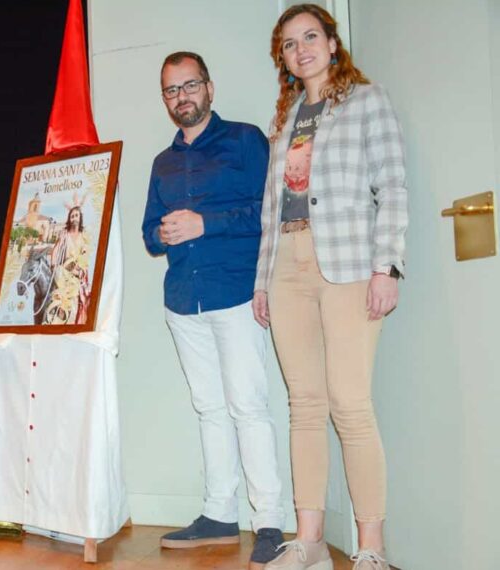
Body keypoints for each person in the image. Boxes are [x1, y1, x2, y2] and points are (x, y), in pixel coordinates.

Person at [252, 5, 407, 570]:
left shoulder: (368, 101)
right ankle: (310, 541)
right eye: (290, 45)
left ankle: (371, 549)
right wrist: (263, 281)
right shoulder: (288, 118)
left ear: (332, 43)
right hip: (287, 266)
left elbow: (391, 186)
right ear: (285, 60)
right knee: (304, 406)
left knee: (350, 404)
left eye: (310, 37)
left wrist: (387, 266)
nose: (302, 49)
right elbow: (274, 209)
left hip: (346, 262)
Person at [141, 51, 285, 565]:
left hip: (237, 292)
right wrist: (160, 232)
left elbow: (269, 210)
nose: (182, 97)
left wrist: (205, 223)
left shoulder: (246, 141)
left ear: (209, 87)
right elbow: (149, 232)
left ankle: (269, 521)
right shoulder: (162, 162)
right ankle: (219, 514)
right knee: (209, 410)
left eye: (190, 85)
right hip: (182, 300)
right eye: (171, 90)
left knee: (249, 406)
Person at [45, 202, 90, 325]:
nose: (74, 218)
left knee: (79, 303)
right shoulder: (65, 235)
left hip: (78, 276)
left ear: (80, 218)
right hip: (63, 274)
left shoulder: (84, 237)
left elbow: (86, 256)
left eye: (76, 215)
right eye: (72, 216)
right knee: (59, 304)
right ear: (69, 219)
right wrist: (54, 266)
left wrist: (80, 270)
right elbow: (56, 250)